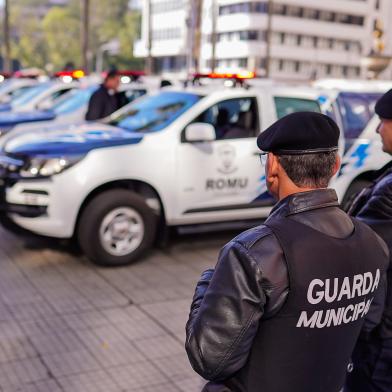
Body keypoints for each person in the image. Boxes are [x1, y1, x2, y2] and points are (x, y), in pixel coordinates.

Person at [185, 112, 389, 392]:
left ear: (272, 165)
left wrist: (208, 282)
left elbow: (210, 358)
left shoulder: (255, 252)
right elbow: (367, 324)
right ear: (335, 166)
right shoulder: (372, 243)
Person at [345, 90, 392, 392]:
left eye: (383, 121)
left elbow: (357, 252)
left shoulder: (389, 193)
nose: (377, 129)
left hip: (384, 344)